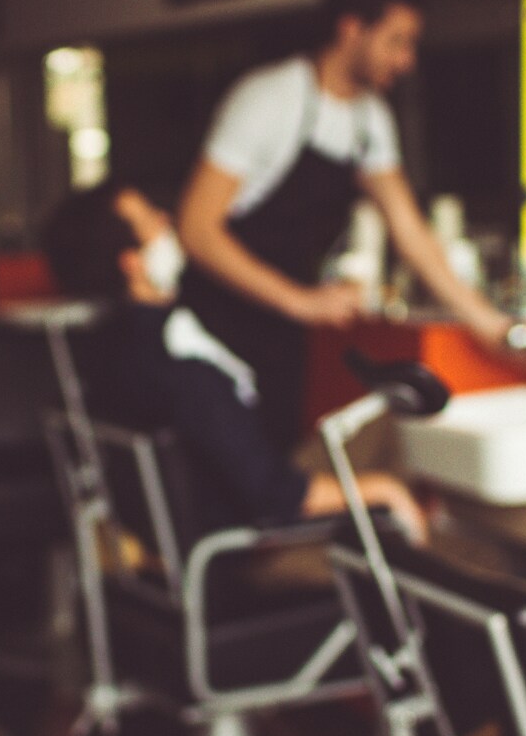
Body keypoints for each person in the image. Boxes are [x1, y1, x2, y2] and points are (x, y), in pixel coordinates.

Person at [177, 0, 514, 449]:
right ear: (352, 29)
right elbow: (196, 228)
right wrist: (300, 301)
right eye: (396, 41)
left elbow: (410, 232)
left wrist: (488, 323)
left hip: (284, 335)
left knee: (278, 461)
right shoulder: (269, 98)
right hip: (216, 326)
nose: (407, 60)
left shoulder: (369, 119)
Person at [42, 180, 426, 540]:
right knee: (403, 474)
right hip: (249, 544)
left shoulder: (110, 352)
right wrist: (385, 491)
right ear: (132, 262)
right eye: (152, 221)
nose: (166, 220)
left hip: (212, 512)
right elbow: (279, 496)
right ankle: (407, 560)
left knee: (386, 424)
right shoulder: (180, 369)